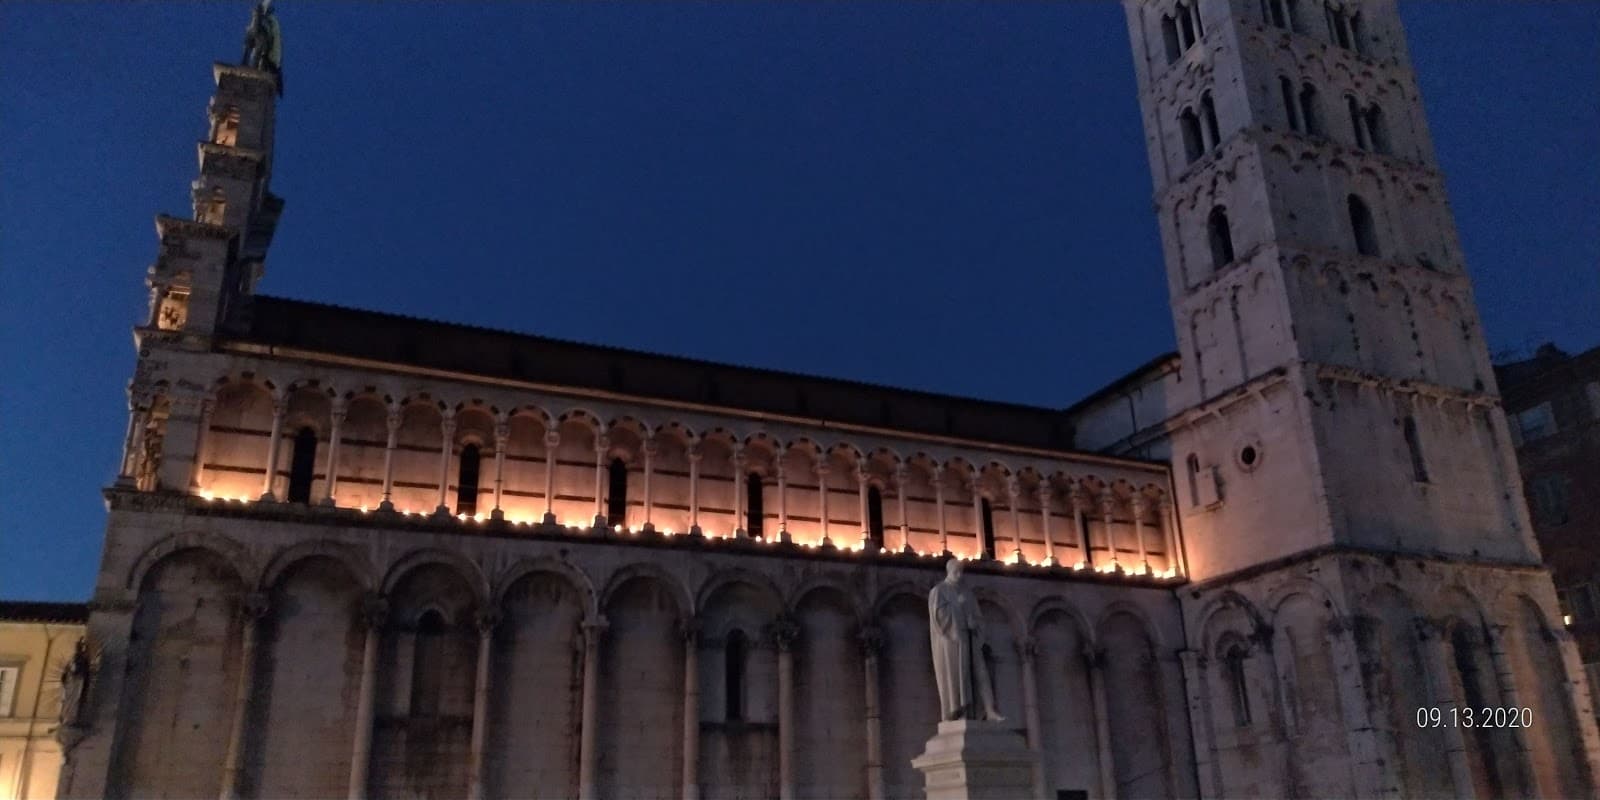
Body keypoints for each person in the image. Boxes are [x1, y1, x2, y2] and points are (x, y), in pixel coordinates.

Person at [928, 558, 1003, 722]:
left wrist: (973, 623)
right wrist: (959, 612)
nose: (959, 575)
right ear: (949, 571)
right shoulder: (939, 591)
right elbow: (939, 618)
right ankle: (959, 712)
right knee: (957, 678)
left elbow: (977, 617)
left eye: (961, 572)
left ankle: (989, 710)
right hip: (952, 642)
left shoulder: (967, 593)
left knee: (981, 672)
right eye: (956, 572)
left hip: (970, 640)